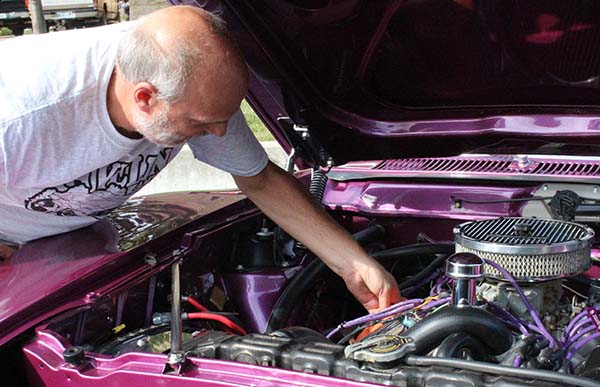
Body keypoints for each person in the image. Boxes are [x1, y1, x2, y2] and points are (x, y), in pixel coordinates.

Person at [0, 6, 400, 313]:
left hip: (69, 246)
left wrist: (353, 264)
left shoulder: (191, 80)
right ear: (145, 98)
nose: (220, 134)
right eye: (204, 123)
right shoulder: (20, 112)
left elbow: (258, 179)